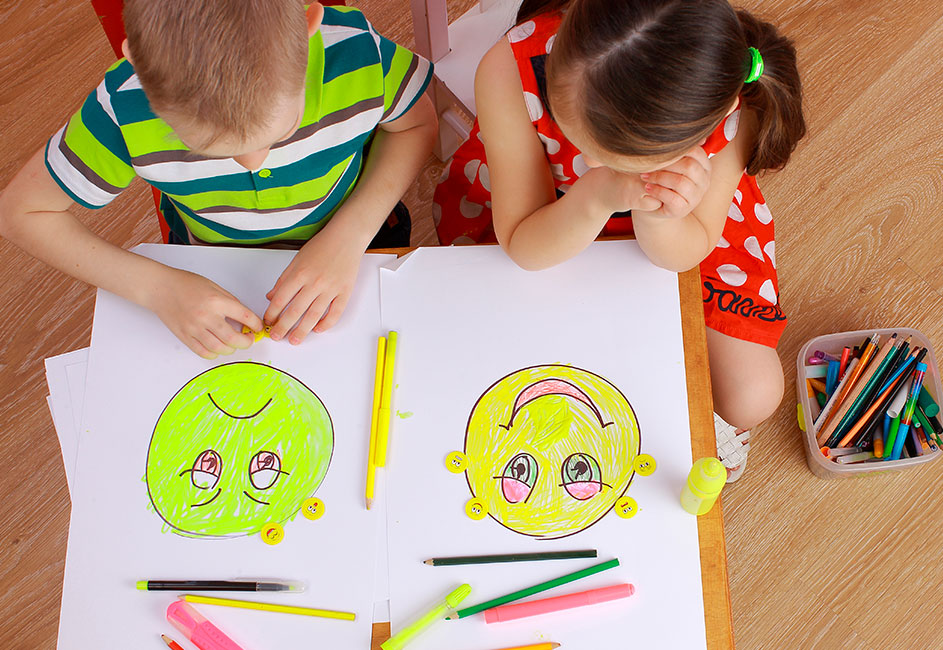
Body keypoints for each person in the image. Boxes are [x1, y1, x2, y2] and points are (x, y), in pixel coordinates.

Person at [432, 0, 806, 481]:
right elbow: (523, 241)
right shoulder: (510, 69)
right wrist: (597, 194)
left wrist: (660, 218)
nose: (585, 155)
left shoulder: (733, 106)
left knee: (753, 395)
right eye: (583, 143)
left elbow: (689, 249)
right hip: (552, 214)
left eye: (607, 153)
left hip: (680, 231)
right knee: (519, 355)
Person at [0, 1, 436, 358]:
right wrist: (158, 289)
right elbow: (20, 212)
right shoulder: (124, 107)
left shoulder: (357, 55)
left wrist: (349, 236)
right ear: (137, 66)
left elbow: (417, 127)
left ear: (308, 27)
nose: (252, 162)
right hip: (209, 263)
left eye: (279, 131)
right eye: (211, 148)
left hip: (362, 238)